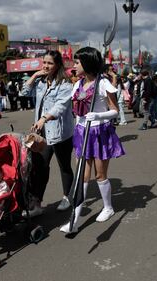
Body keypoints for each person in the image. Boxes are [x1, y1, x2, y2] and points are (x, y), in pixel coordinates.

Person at [60, 47, 125, 234]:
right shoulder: (77, 84)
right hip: (82, 132)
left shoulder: (103, 83)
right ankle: (75, 219)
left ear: (87, 64)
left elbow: (115, 111)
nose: (74, 65)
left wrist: (98, 115)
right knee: (82, 175)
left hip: (100, 132)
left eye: (77, 62)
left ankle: (108, 207)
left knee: (100, 175)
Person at [21, 50, 75, 215]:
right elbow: (24, 92)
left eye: (50, 63)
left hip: (60, 132)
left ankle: (67, 196)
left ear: (57, 65)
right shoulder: (41, 82)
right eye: (44, 62)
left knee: (64, 166)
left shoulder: (65, 84)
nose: (46, 66)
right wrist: (35, 75)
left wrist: (44, 118)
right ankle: (36, 204)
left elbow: (60, 106)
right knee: (39, 166)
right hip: (41, 133)